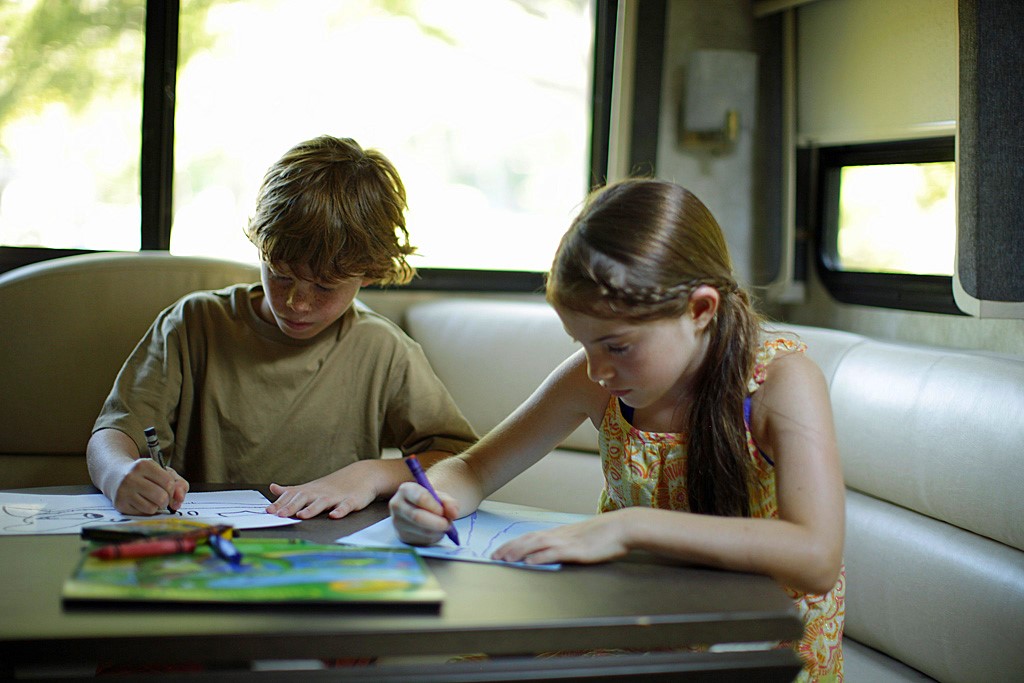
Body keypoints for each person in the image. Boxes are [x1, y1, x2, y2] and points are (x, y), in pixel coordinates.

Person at [389, 178, 845, 681]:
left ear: (699, 310)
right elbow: (475, 468)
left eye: (617, 346)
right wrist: (430, 498)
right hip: (632, 624)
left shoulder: (780, 383)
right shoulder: (600, 381)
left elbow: (816, 557)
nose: (595, 370)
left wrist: (629, 527)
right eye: (583, 345)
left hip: (754, 648)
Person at [87, 135, 477, 520]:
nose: (296, 303)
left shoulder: (383, 349)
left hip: (329, 553)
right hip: (206, 543)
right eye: (281, 275)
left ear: (369, 274)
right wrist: (117, 473)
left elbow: (457, 458)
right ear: (260, 247)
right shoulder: (193, 324)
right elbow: (112, 435)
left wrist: (372, 474)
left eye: (324, 286)